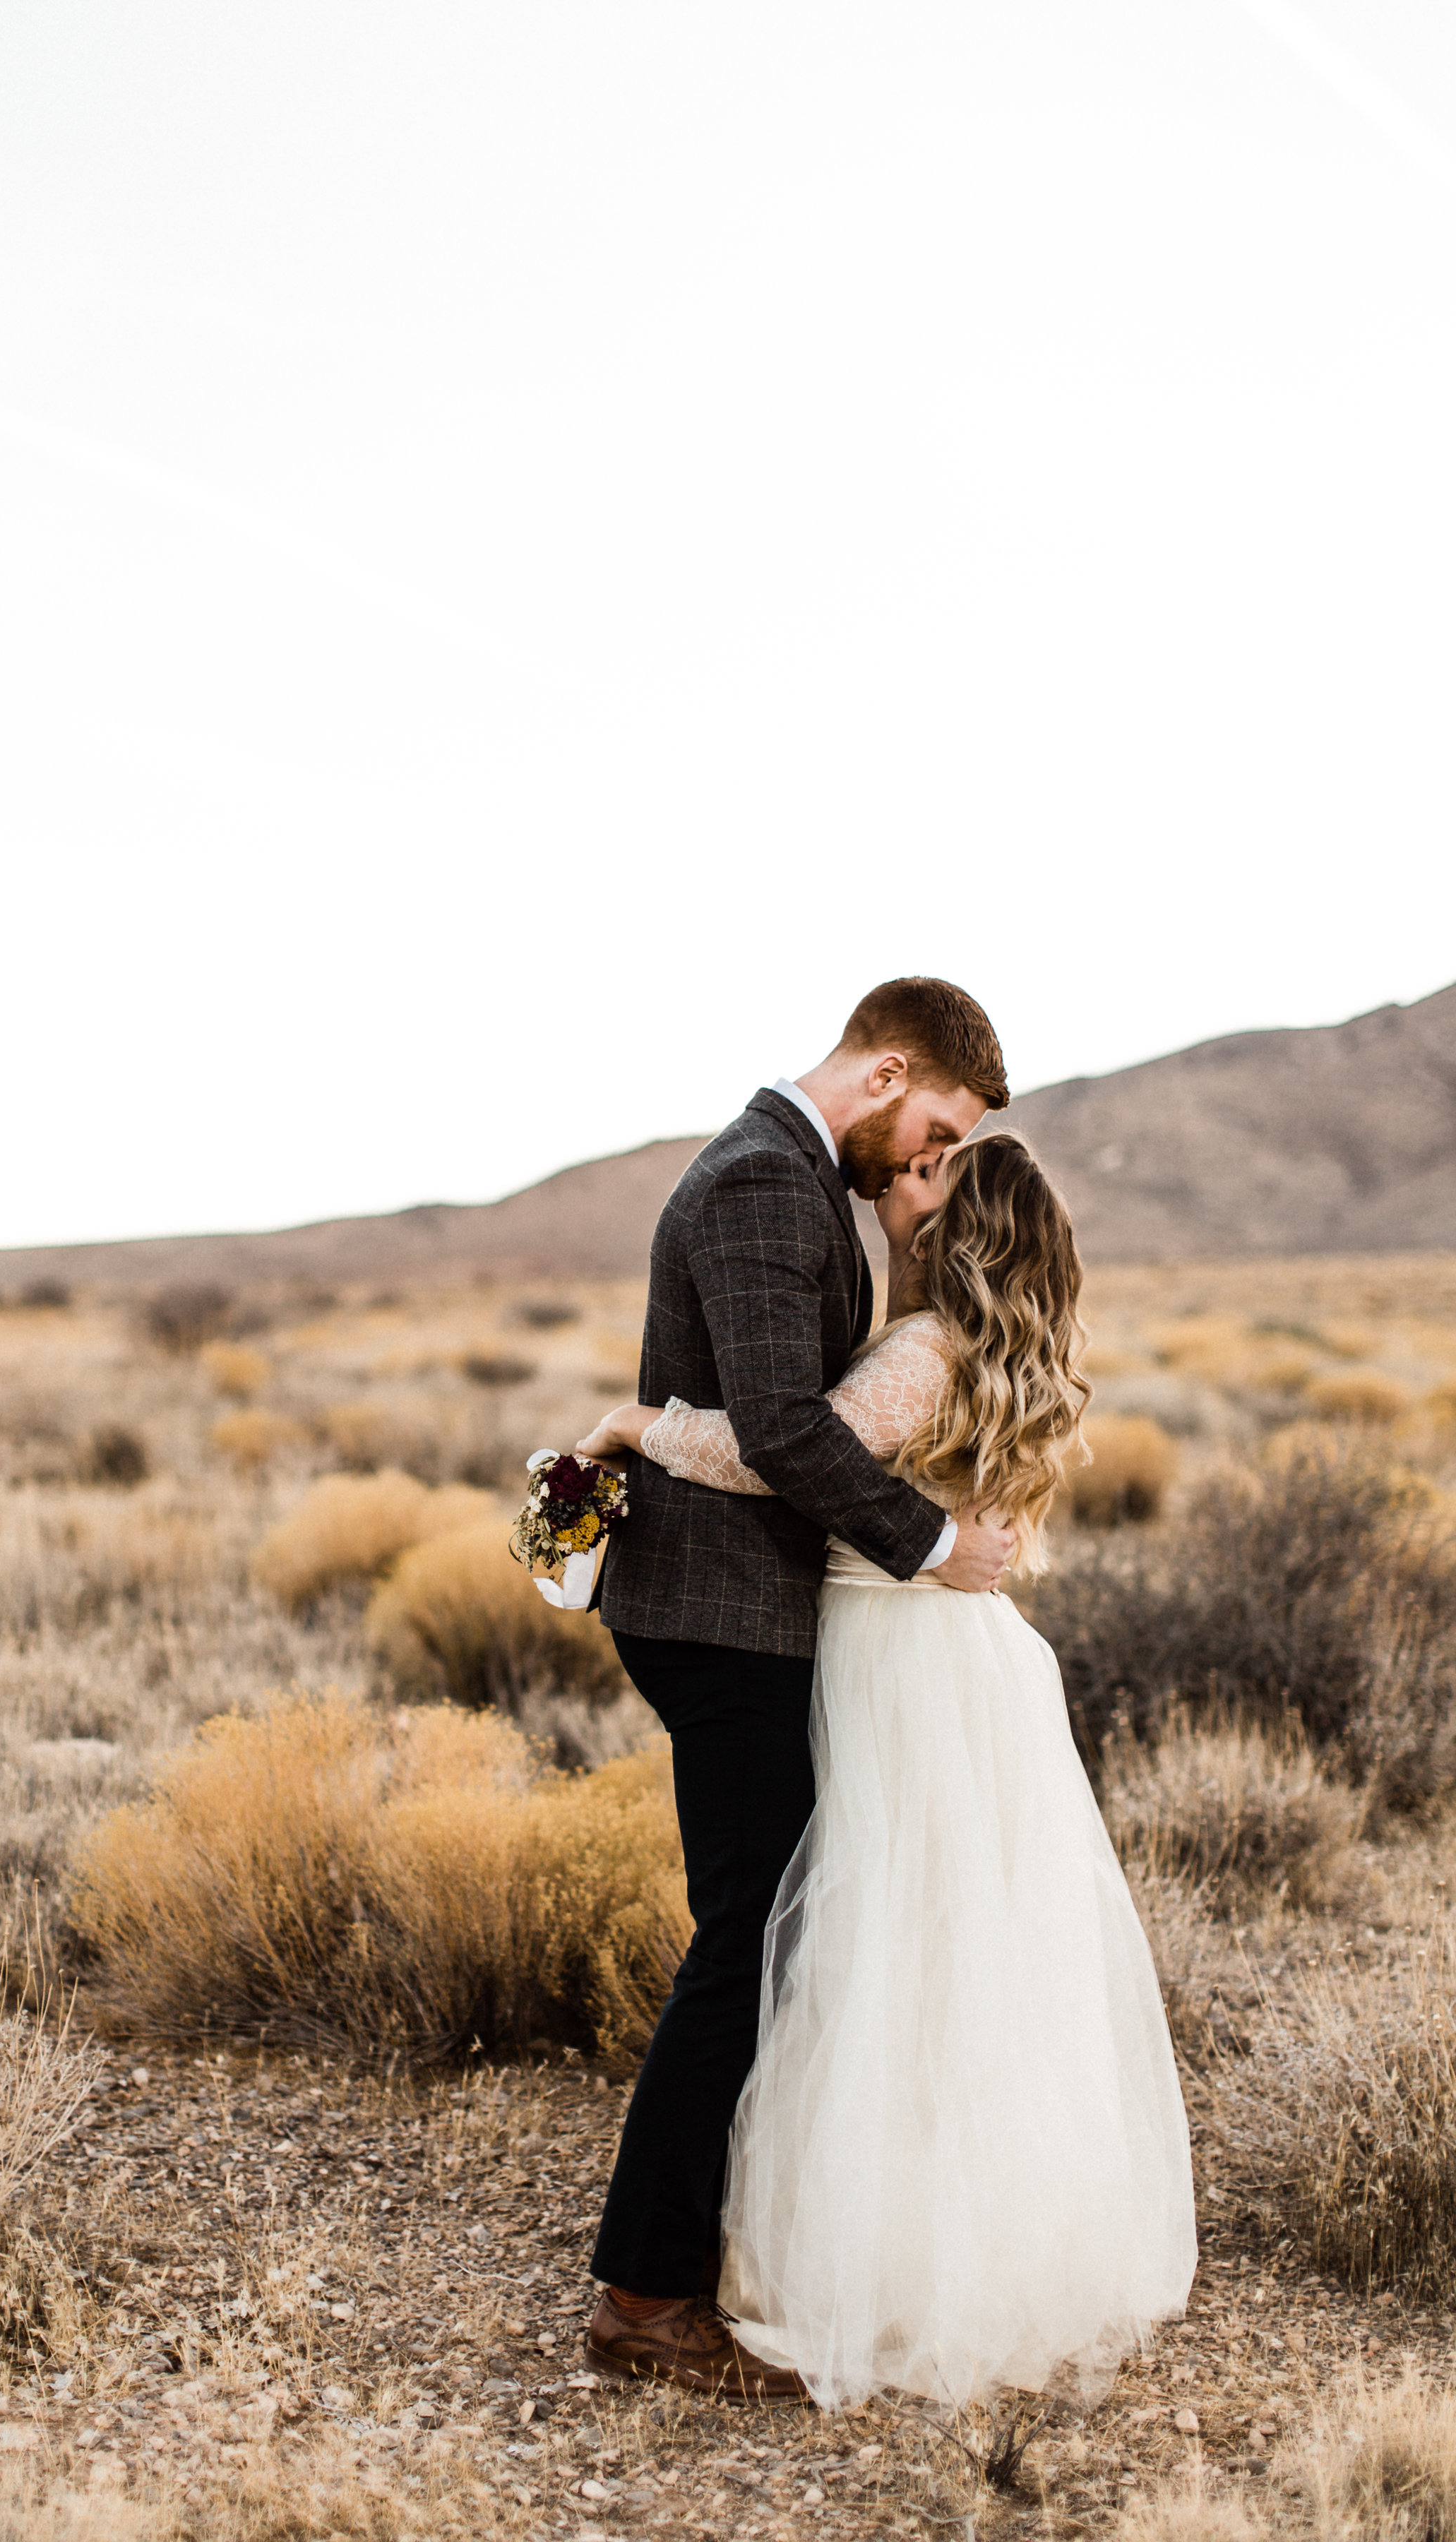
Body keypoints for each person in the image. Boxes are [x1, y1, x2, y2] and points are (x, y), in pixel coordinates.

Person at [583, 1131, 1196, 2411]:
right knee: (934, 1954)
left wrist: (640, 1421)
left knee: (869, 1951)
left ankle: (861, 2261)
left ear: (954, 1219)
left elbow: (780, 1456)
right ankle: (938, 2239)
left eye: (931, 1173)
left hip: (890, 1656)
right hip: (960, 1655)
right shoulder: (981, 1349)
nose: (901, 1177)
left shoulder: (923, 1352)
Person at [578, 977, 1018, 2399]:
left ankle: (690, 2258)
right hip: (718, 1614)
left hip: (736, 1609)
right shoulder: (770, 1183)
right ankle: (646, 2298)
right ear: (888, 1071)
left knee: (760, 1935)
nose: (929, 1162)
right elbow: (782, 1429)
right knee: (745, 1946)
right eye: (935, 1126)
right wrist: (939, 1546)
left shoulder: (794, 1180)